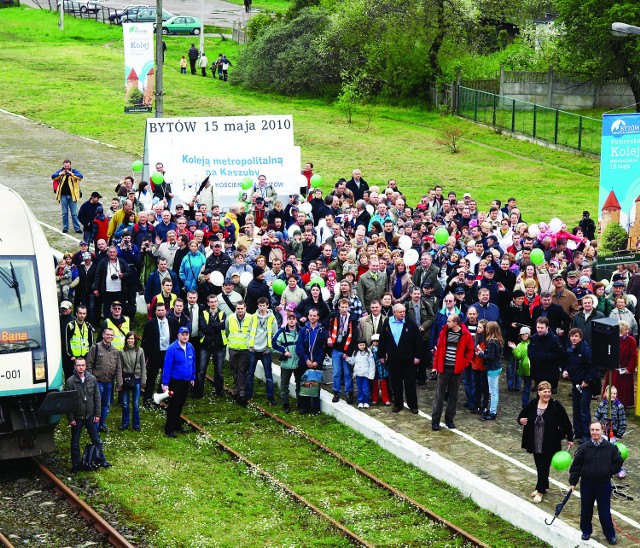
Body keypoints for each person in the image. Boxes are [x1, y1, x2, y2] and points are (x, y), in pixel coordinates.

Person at [518, 381, 573, 504]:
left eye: (549, 392)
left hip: (550, 442)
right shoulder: (533, 404)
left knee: (544, 466)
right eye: (544, 392)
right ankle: (541, 486)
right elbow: (521, 416)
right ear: (539, 392)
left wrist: (570, 438)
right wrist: (520, 420)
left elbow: (566, 422)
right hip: (535, 441)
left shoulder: (555, 405)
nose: (547, 394)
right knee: (539, 465)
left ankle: (540, 490)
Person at [569, 421, 624, 544]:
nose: (594, 432)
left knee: (604, 511)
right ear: (590, 431)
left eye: (597, 430)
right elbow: (576, 466)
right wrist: (573, 482)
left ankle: (610, 534)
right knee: (586, 509)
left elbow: (618, 462)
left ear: (602, 431)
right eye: (592, 430)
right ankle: (586, 531)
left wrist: (609, 471)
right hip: (587, 484)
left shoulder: (610, 448)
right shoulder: (584, 447)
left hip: (603, 484)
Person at [65, 357, 111, 472]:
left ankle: (102, 460)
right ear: (75, 367)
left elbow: (97, 397)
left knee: (96, 439)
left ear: (85, 366)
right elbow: (68, 401)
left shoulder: (92, 379)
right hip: (77, 417)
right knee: (75, 442)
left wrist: (98, 414)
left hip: (90, 416)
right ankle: (76, 465)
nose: (81, 367)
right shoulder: (70, 381)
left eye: (83, 365)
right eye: (78, 365)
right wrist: (70, 418)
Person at [431, 314, 475, 429]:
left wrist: (463, 364)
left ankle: (449, 419)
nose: (447, 323)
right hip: (443, 369)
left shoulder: (465, 334)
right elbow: (438, 349)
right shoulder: (444, 332)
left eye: (449, 321)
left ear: (455, 323)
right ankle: (435, 421)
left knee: (453, 396)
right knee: (439, 396)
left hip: (456, 370)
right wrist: (435, 366)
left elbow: (470, 351)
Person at [378, 304, 423, 414]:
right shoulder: (387, 322)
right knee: (395, 383)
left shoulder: (410, 323)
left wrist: (418, 356)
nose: (403, 314)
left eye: (404, 311)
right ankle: (398, 404)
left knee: (410, 383)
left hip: (408, 359)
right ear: (394, 313)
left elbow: (418, 341)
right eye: (400, 312)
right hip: (393, 359)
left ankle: (413, 405)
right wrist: (381, 355)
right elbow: (382, 339)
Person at [562, 328, 597, 443]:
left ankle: (587, 435)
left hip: (586, 385)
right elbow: (568, 363)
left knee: (584, 410)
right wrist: (566, 370)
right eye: (572, 336)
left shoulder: (586, 350)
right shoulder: (570, 349)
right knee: (576, 408)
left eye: (576, 336)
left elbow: (593, 366)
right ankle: (578, 431)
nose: (574, 338)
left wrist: (587, 380)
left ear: (580, 337)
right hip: (575, 383)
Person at [86, 328, 124, 433]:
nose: (109, 337)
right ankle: (94, 426)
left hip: (109, 382)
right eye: (107, 334)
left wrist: (119, 383)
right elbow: (88, 364)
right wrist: (90, 379)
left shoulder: (116, 351)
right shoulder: (95, 348)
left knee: (106, 405)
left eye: (111, 335)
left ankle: (102, 425)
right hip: (97, 381)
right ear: (103, 335)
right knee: (96, 405)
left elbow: (118, 368)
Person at [141, 302, 178, 407]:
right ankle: (147, 400)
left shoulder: (172, 322)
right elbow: (146, 341)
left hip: (168, 353)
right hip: (155, 354)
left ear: (166, 310)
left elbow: (175, 338)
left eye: (163, 310)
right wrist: (145, 357)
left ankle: (161, 398)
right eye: (159, 310)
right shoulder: (150, 324)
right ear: (155, 312)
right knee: (151, 377)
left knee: (166, 377)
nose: (161, 312)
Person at [161, 327, 196, 438]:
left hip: (186, 381)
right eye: (183, 334)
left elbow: (192, 363)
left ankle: (177, 425)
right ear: (178, 335)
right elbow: (167, 366)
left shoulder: (190, 347)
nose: (185, 336)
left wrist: (192, 377)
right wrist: (165, 383)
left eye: (187, 334)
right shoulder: (172, 348)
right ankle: (169, 429)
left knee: (181, 404)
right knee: (174, 405)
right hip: (175, 381)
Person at [326, 298, 359, 404]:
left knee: (347, 373)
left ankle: (349, 392)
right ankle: (336, 392)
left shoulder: (353, 318)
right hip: (336, 349)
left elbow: (354, 336)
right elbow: (325, 327)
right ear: (338, 307)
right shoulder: (333, 316)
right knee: (336, 372)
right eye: (342, 307)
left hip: (346, 349)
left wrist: (348, 352)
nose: (344, 309)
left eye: (346, 307)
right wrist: (328, 337)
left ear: (348, 307)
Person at [295, 308, 327, 414]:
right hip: (305, 362)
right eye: (310, 315)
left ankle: (315, 407)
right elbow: (299, 347)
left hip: (316, 363)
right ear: (308, 317)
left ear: (318, 317)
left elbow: (323, 348)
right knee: (304, 384)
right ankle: (305, 406)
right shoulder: (304, 330)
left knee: (315, 385)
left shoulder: (321, 331)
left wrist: (317, 361)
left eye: (314, 315)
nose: (312, 317)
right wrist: (306, 359)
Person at [247, 297, 277, 404]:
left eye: (264, 305)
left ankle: (270, 396)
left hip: (265, 350)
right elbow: (249, 331)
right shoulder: (253, 317)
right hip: (254, 349)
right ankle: (248, 394)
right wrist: (249, 346)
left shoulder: (272, 318)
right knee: (250, 373)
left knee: (268, 375)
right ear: (258, 306)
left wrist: (270, 348)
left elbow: (275, 334)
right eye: (260, 305)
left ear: (267, 306)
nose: (262, 308)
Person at [197, 294, 228, 398]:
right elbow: (203, 328)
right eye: (211, 302)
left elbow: (223, 326)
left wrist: (212, 325)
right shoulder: (204, 313)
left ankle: (219, 392)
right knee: (201, 370)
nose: (213, 303)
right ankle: (198, 392)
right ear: (208, 303)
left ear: (217, 302)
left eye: (215, 301)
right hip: (206, 345)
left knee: (219, 371)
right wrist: (217, 325)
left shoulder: (223, 313)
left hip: (219, 346)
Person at [272, 312, 301, 412]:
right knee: (284, 385)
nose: (291, 320)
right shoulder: (281, 331)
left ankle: (300, 404)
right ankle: (285, 404)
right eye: (289, 318)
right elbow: (273, 344)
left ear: (296, 320)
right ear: (287, 320)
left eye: (293, 318)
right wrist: (284, 351)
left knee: (299, 384)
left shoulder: (301, 331)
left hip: (298, 363)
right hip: (286, 363)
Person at [226, 300, 253, 406]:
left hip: (245, 348)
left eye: (242, 308)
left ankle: (241, 392)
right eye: (238, 308)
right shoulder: (230, 318)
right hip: (233, 347)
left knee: (242, 370)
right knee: (234, 369)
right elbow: (227, 330)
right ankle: (235, 388)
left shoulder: (251, 318)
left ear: (245, 308)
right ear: (235, 309)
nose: (240, 310)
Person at [528, 317, 565, 393]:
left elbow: (561, 353)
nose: (539, 330)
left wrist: (545, 357)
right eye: (538, 327)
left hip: (550, 372)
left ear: (547, 327)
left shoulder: (554, 339)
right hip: (537, 372)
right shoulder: (534, 338)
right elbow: (530, 351)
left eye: (542, 328)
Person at [475, 321, 504, 421]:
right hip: (497, 367)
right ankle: (492, 410)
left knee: (493, 391)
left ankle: (493, 412)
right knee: (494, 391)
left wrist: (480, 354)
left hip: (492, 368)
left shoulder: (491, 342)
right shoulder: (498, 340)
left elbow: (489, 357)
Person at [120, 331, 146, 432]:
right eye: (129, 338)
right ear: (126, 339)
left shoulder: (140, 351)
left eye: (132, 339)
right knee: (125, 403)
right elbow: (120, 367)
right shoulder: (122, 352)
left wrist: (143, 381)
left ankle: (136, 424)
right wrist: (120, 382)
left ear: (135, 340)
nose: (130, 340)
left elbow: (143, 366)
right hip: (126, 379)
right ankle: (125, 423)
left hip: (137, 379)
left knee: (135, 404)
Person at [64, 305, 95, 380]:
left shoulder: (88, 326)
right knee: (73, 378)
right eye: (80, 313)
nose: (82, 315)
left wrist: (89, 355)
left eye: (84, 313)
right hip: (74, 357)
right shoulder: (71, 325)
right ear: (76, 313)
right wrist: (71, 355)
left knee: (84, 378)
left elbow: (91, 342)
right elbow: (66, 342)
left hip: (85, 356)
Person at [51, 159, 83, 234]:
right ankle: (65, 227)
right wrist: (60, 174)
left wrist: (71, 174)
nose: (67, 168)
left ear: (70, 165)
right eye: (65, 166)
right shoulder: (61, 172)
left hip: (72, 195)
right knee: (64, 213)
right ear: (63, 165)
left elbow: (80, 177)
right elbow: (53, 177)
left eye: (68, 166)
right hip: (63, 195)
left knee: (74, 213)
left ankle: (77, 228)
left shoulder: (74, 171)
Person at [347, 339, 376, 409]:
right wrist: (347, 358)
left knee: (365, 389)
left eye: (363, 345)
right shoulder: (355, 352)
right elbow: (352, 361)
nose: (362, 346)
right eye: (360, 345)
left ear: (365, 345)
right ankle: (360, 401)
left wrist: (371, 375)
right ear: (357, 345)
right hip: (358, 374)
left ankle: (366, 401)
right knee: (359, 389)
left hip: (366, 374)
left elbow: (372, 364)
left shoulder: (368, 353)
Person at [510, 326, 532, 408]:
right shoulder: (519, 345)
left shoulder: (533, 342)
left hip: (534, 368)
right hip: (525, 369)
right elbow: (518, 357)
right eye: (522, 334)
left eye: (526, 334)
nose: (524, 336)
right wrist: (514, 349)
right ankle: (525, 405)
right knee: (526, 388)